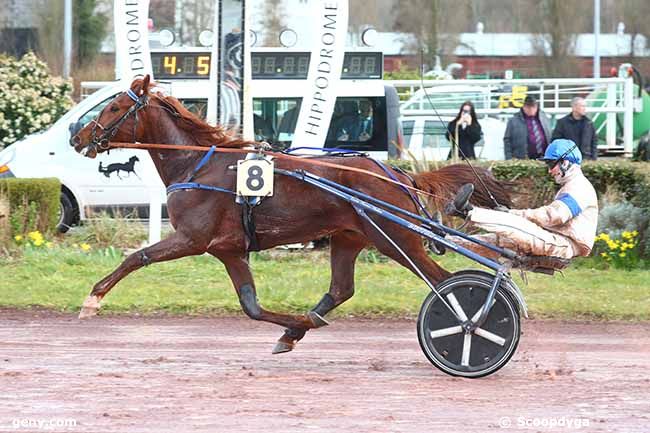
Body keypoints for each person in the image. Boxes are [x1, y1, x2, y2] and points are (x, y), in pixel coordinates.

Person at [445, 139, 598, 259]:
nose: (550, 171)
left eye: (551, 165)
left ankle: (467, 211)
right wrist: (511, 214)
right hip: (559, 241)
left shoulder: (579, 187)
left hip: (563, 245)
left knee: (514, 225)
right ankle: (447, 241)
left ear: (565, 162)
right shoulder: (572, 185)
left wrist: (512, 215)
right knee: (498, 240)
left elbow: (552, 217)